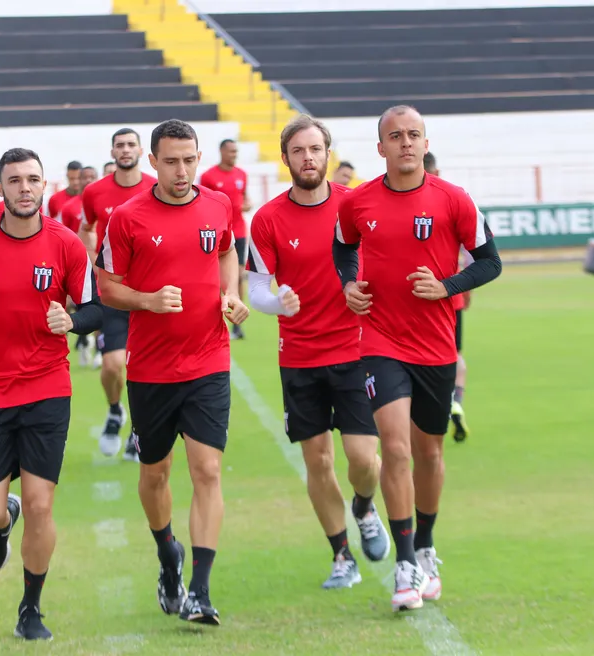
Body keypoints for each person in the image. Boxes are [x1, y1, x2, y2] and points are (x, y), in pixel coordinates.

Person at [332, 105, 502, 612]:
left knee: (429, 453)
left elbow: (491, 262)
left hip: (435, 346)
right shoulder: (358, 203)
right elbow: (344, 248)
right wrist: (349, 286)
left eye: (414, 134)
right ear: (380, 147)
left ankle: (425, 544)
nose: (405, 143)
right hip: (380, 341)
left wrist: (446, 287)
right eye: (395, 136)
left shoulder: (455, 200)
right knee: (397, 448)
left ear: (425, 143)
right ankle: (405, 563)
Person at [0, 148, 102, 641]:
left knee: (42, 504)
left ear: (44, 186)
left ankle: (31, 608)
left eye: (32, 179)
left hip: (48, 389)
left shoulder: (67, 244)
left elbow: (96, 309)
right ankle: (4, 520)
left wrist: (70, 320)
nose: (24, 188)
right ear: (0, 188)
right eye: (14, 180)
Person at [98, 118, 248, 625]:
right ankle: (168, 554)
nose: (182, 170)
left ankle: (200, 592)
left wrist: (230, 294)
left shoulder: (218, 205)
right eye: (171, 161)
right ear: (152, 162)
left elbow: (227, 249)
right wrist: (147, 299)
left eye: (190, 159)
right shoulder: (126, 217)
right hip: (152, 369)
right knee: (155, 474)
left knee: (207, 470)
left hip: (208, 360)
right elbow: (107, 287)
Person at [246, 116, 390, 590]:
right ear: (285, 158)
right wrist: (278, 301)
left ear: (328, 153)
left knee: (364, 460)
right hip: (301, 356)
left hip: (357, 350)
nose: (308, 158)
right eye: (298, 151)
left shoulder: (359, 205)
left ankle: (365, 508)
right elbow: (257, 291)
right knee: (319, 462)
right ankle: (340, 555)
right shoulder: (266, 219)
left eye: (315, 149)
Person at [79, 128, 157, 461]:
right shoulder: (95, 192)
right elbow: (85, 228)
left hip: (150, 292)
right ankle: (115, 410)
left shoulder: (157, 186)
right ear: (112, 151)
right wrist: (89, 267)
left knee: (145, 368)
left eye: (130, 145)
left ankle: (139, 430)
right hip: (111, 291)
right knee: (112, 365)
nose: (125, 150)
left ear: (140, 150)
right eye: (119, 145)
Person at [424, 151, 470, 443]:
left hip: (417, 297)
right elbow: (471, 257)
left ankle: (434, 406)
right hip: (452, 298)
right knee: (455, 355)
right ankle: (455, 401)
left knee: (424, 357)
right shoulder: (452, 200)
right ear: (436, 171)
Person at [199, 139, 252, 340]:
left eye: (236, 151)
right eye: (230, 151)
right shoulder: (209, 176)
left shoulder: (242, 174)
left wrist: (246, 205)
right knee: (216, 277)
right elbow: (202, 201)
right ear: (222, 151)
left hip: (238, 231)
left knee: (237, 276)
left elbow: (245, 198)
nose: (234, 155)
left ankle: (237, 322)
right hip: (215, 232)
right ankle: (213, 318)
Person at [57, 166, 101, 368]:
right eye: (85, 178)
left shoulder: (105, 203)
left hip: (102, 266)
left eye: (93, 177)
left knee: (99, 305)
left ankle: (100, 348)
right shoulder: (68, 208)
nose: (87, 181)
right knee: (71, 305)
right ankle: (81, 340)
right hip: (76, 267)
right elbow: (59, 236)